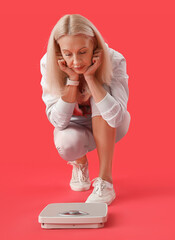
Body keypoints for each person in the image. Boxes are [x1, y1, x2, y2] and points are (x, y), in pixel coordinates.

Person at [40, 14, 131, 206]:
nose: (75, 61)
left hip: (112, 125)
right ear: (59, 52)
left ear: (94, 46)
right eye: (68, 53)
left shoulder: (114, 59)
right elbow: (58, 122)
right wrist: (72, 80)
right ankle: (80, 163)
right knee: (66, 144)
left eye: (82, 52)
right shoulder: (49, 63)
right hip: (75, 127)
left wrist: (91, 78)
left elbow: (116, 118)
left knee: (102, 93)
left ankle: (106, 182)